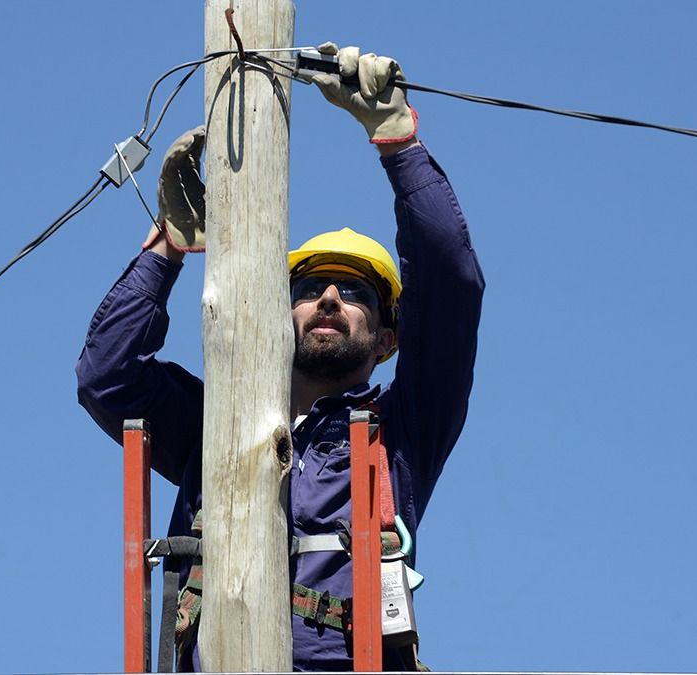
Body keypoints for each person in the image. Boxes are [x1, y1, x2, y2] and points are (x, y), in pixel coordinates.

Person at [76, 43, 484, 671]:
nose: (327, 298)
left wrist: (397, 141)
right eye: (308, 289)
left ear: (386, 340)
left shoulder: (400, 434)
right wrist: (167, 250)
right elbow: (107, 376)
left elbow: (452, 282)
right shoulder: (215, 429)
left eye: (354, 294)